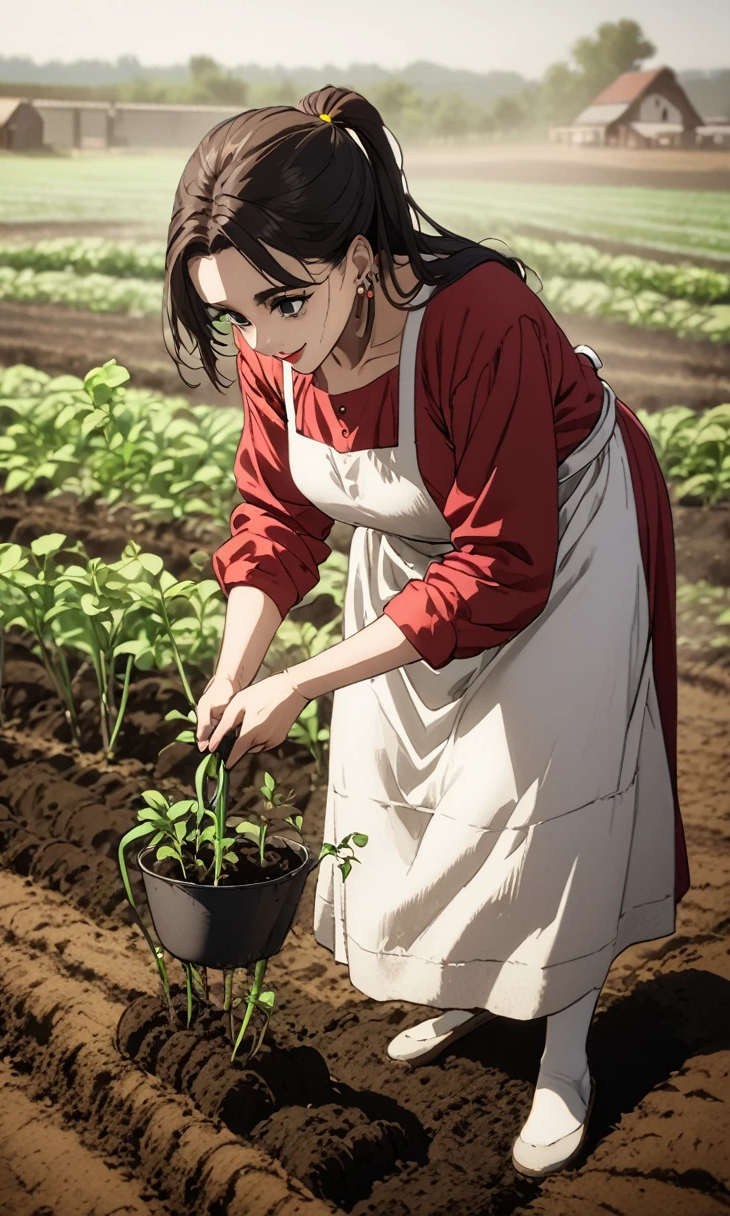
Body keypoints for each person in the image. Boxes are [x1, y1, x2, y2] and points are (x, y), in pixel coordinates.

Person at [162, 85, 689, 1177]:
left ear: (359, 259)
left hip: (556, 534)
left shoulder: (477, 317)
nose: (260, 341)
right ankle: (471, 989)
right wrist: (237, 670)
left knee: (542, 790)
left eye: (280, 305)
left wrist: (304, 682)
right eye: (232, 314)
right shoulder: (281, 340)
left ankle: (563, 1050)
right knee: (425, 790)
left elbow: (502, 560)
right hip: (411, 550)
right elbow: (276, 518)